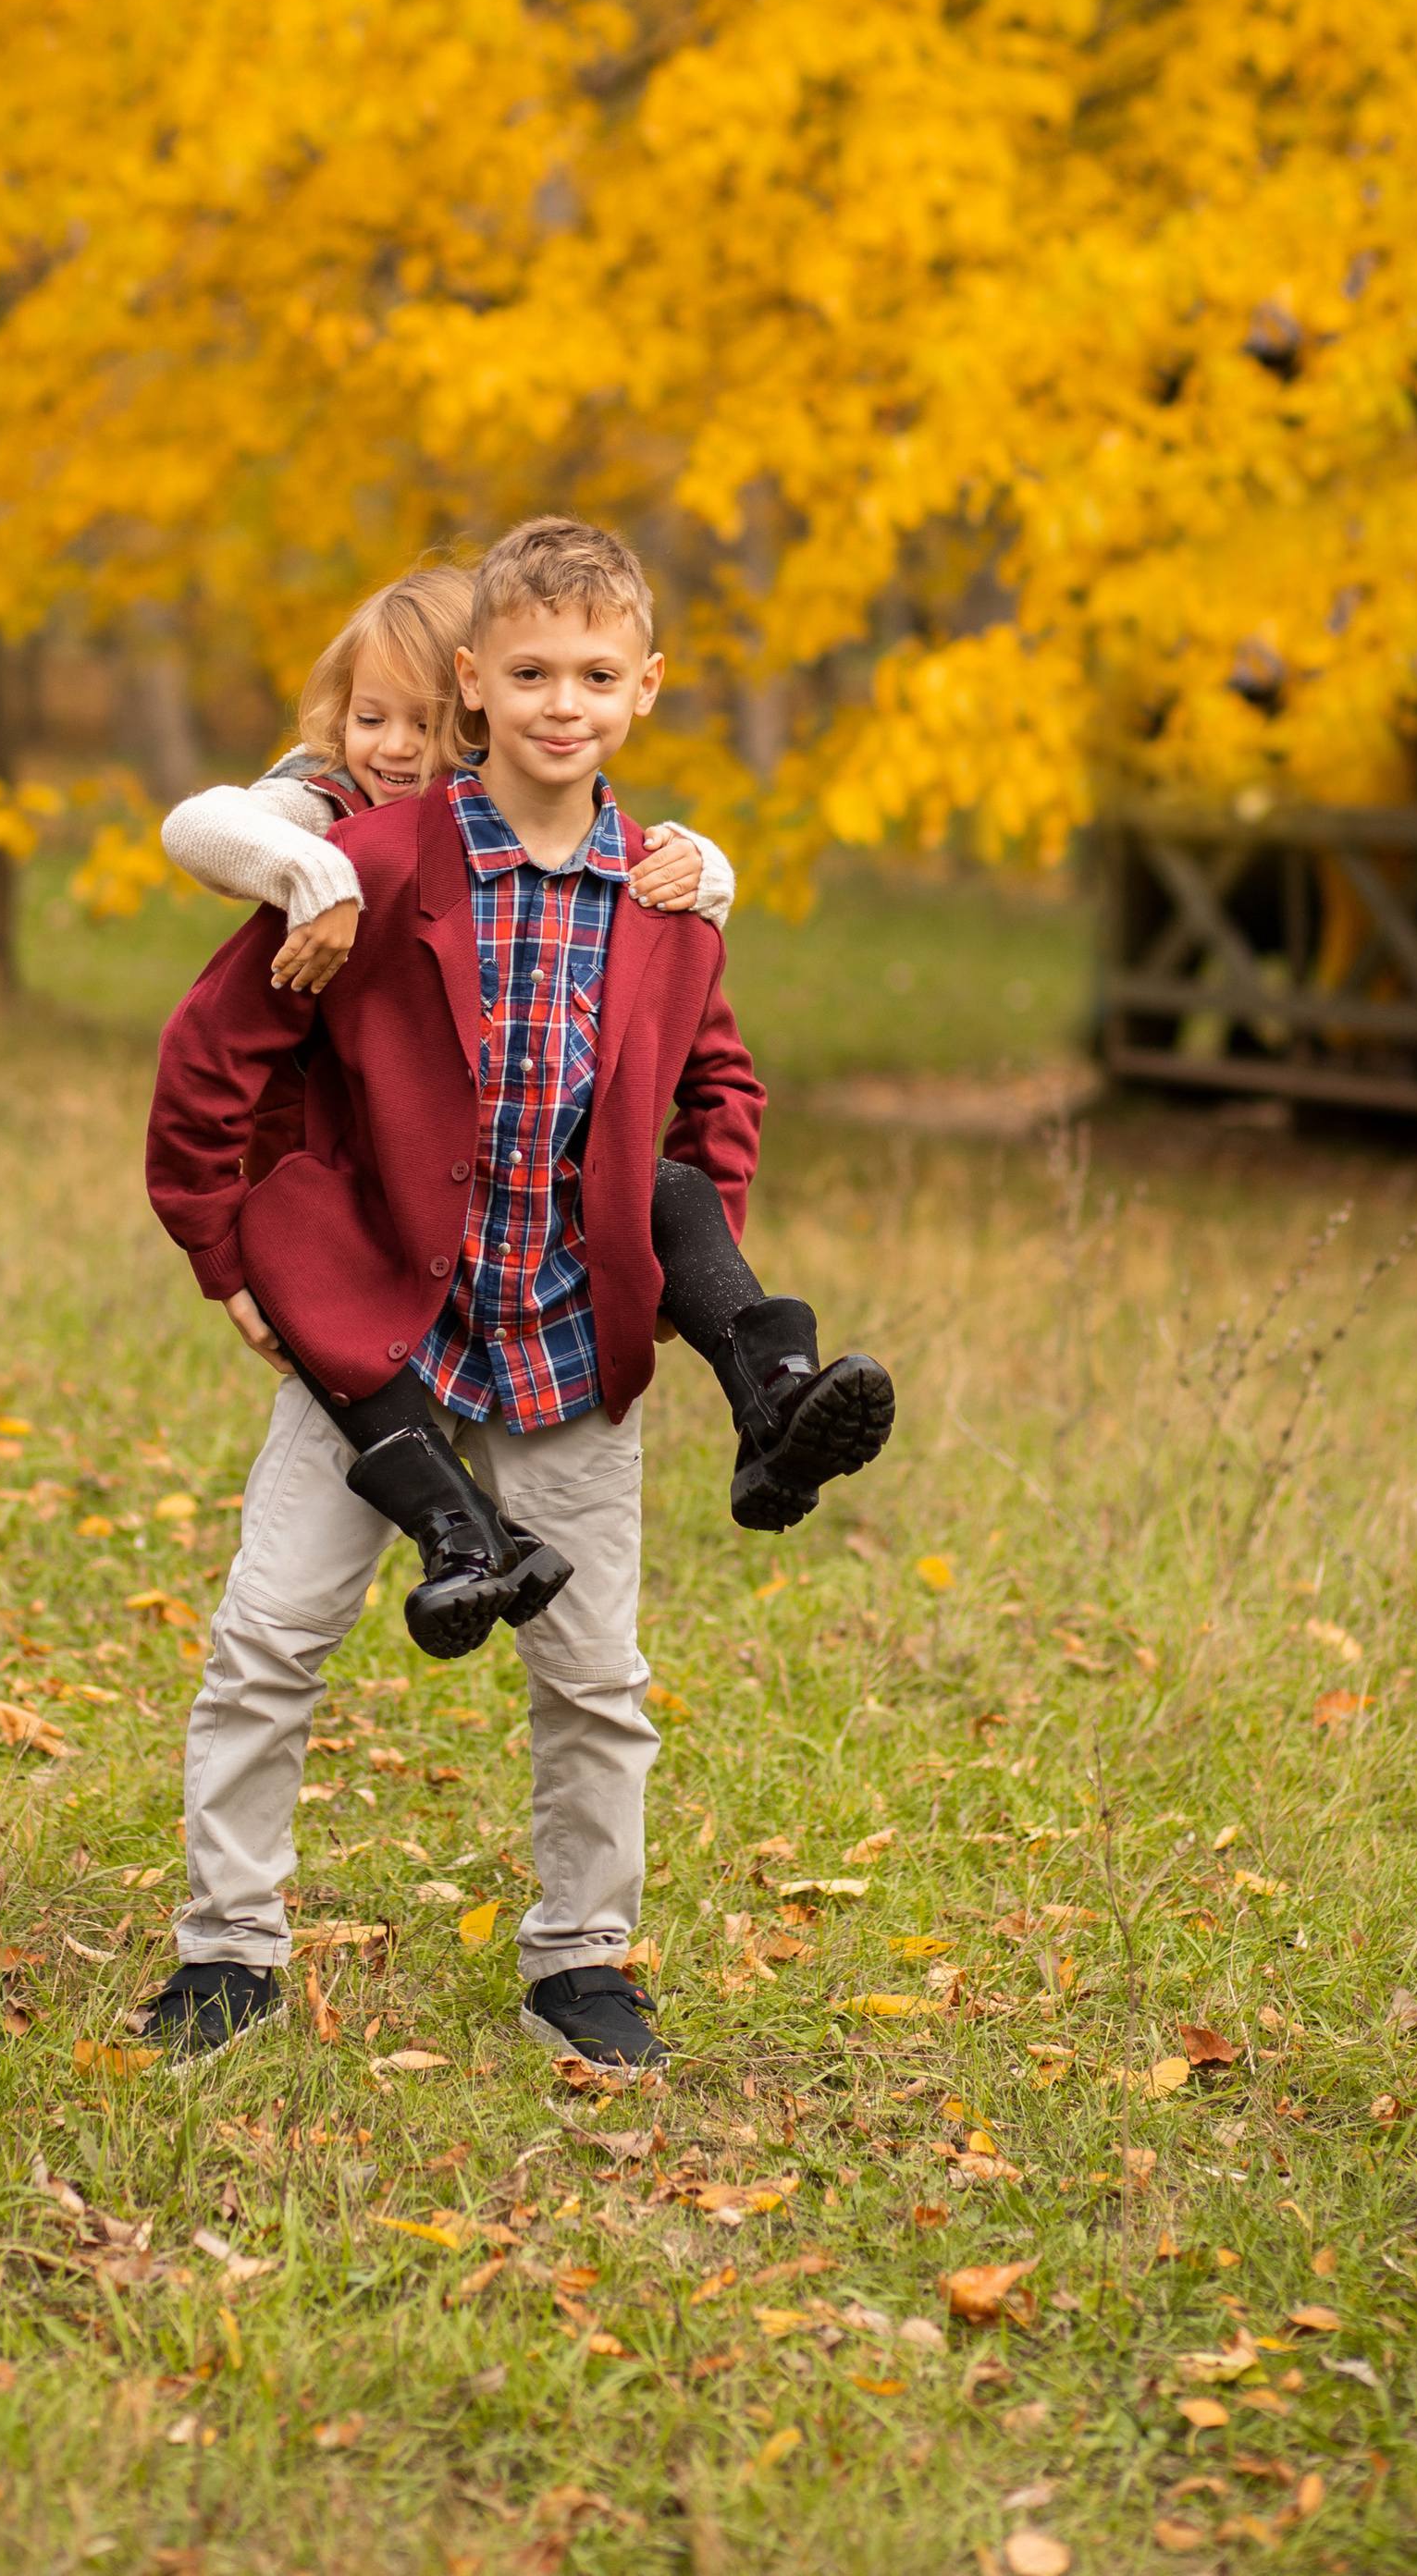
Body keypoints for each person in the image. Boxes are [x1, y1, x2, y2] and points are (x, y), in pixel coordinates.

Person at [141, 517, 895, 2065]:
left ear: (645, 690)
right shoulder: (368, 865)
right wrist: (227, 1253)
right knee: (269, 1636)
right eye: (532, 671)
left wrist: (674, 1235)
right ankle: (227, 1952)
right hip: (378, 1336)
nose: (565, 702)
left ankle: (581, 1960)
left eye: (598, 674)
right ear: (473, 684)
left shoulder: (665, 892)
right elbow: (214, 1054)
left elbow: (717, 1082)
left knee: (596, 1678)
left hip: (568, 1342)